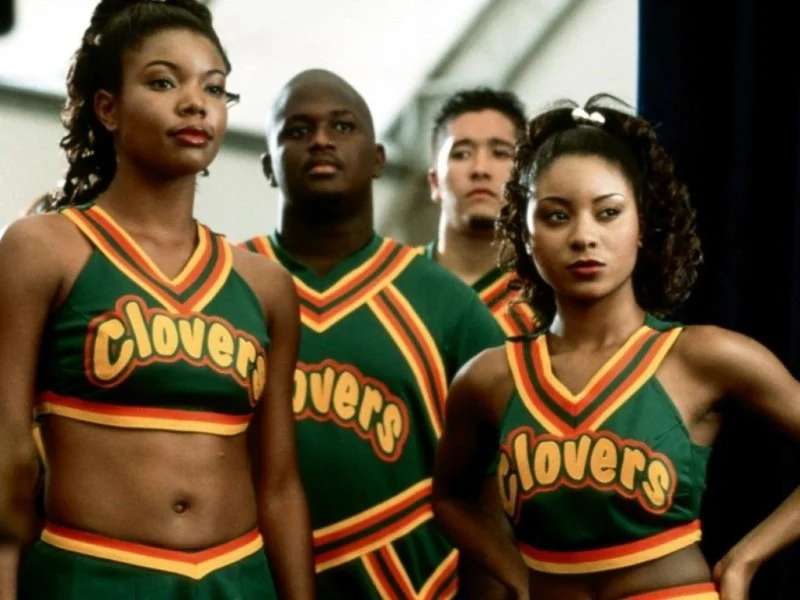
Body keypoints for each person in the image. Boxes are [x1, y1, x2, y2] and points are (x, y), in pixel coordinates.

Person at [0, 1, 314, 597]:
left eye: (214, 88)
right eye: (164, 82)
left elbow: (279, 485)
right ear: (107, 108)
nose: (195, 103)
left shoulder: (265, 285)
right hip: (92, 576)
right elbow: (6, 452)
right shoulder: (42, 249)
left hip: (236, 579)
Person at [432, 95, 800, 600]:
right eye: (556, 216)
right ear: (526, 233)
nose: (584, 236)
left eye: (608, 213)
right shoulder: (489, 378)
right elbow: (450, 499)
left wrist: (743, 561)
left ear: (642, 224)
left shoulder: (702, 356)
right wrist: (517, 577)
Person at [240, 68, 505, 599]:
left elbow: (498, 483)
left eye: (342, 127)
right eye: (297, 130)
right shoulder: (226, 283)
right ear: (268, 165)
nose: (321, 140)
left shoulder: (449, 304)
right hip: (249, 580)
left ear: (379, 158)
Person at [423, 87, 539, 336]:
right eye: (462, 154)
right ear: (434, 183)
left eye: (500, 153)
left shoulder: (550, 296)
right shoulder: (394, 280)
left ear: (526, 179)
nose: (480, 169)